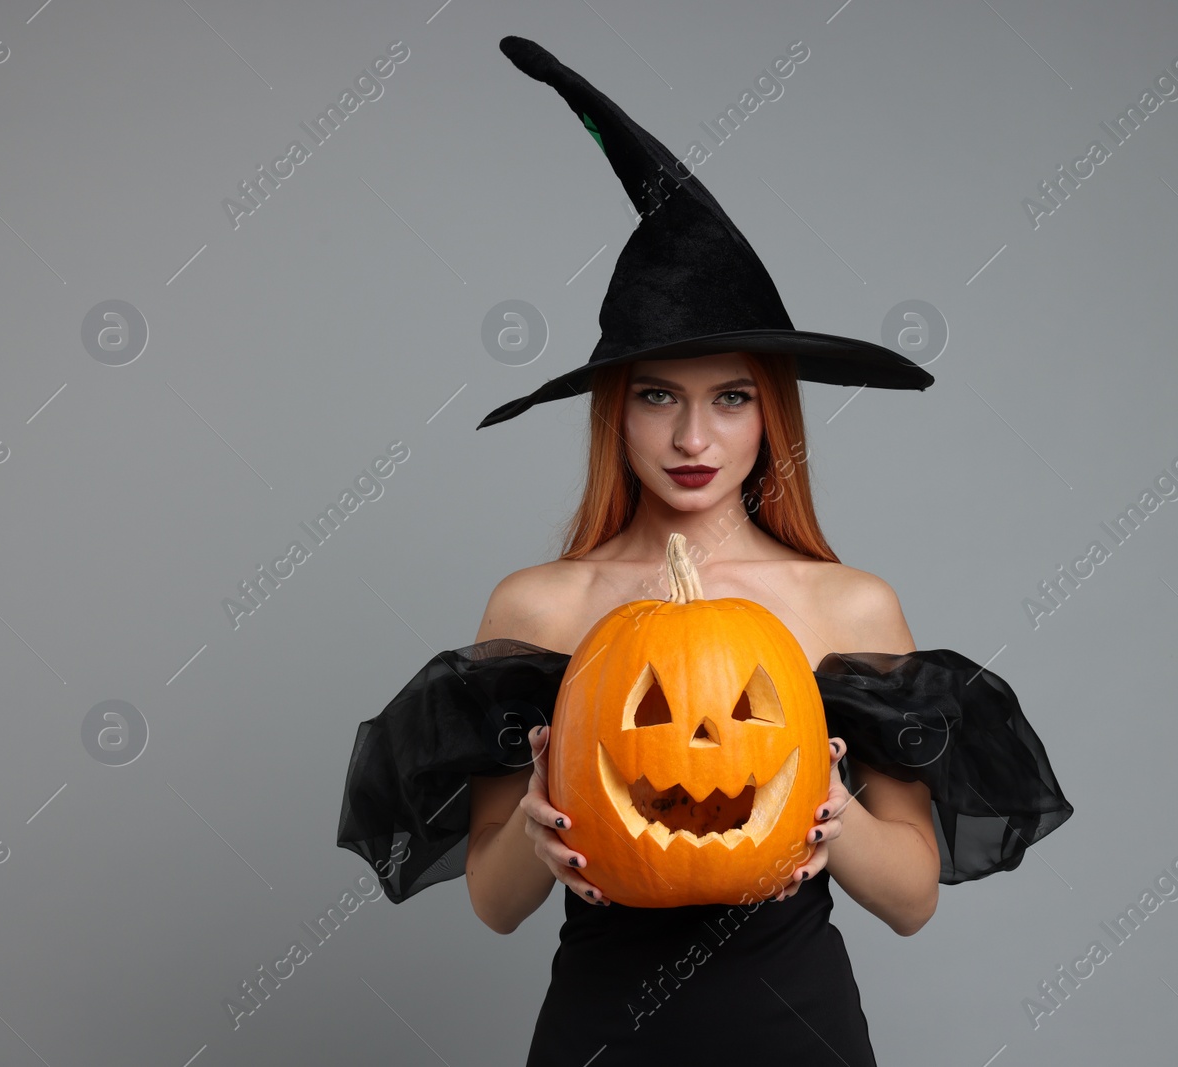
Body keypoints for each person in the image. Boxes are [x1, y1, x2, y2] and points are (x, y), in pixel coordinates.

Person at [334, 35, 1073, 1066]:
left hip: (796, 1032)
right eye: (657, 398)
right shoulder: (539, 608)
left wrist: (826, 805)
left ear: (769, 415)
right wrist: (537, 829)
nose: (693, 440)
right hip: (602, 1031)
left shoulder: (846, 607)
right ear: (614, 414)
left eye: (729, 399)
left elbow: (910, 899)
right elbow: (495, 906)